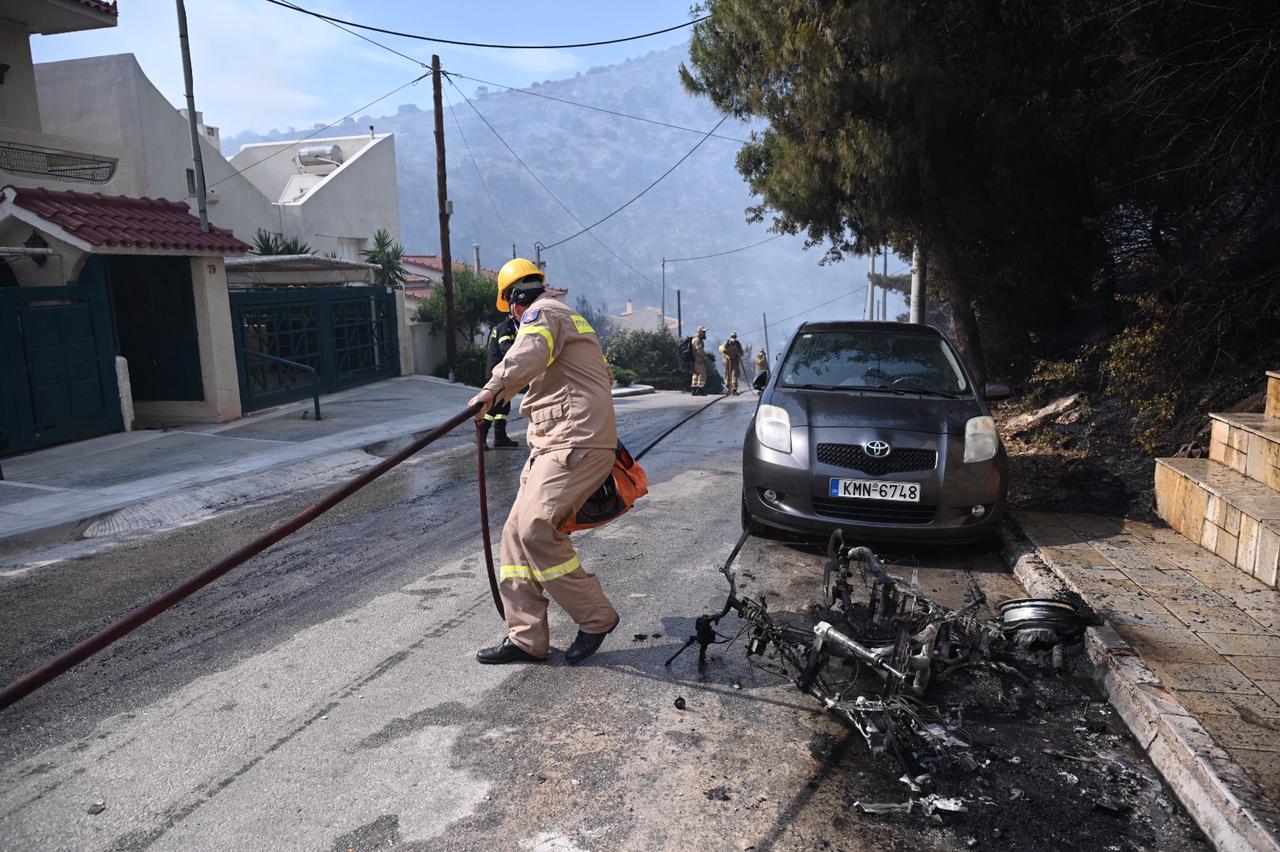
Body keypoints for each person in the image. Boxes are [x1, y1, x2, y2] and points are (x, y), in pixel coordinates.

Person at [468, 257, 620, 665]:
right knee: (515, 534)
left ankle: (596, 617)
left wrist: (492, 390)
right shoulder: (568, 318)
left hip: (574, 440)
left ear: (514, 302)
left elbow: (528, 353)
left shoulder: (542, 313)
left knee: (536, 528)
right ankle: (526, 638)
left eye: (511, 311)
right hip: (556, 441)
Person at [481, 313, 520, 449]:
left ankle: (500, 437)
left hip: (502, 372)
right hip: (497, 373)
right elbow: (504, 347)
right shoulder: (505, 327)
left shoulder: (508, 326)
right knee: (492, 408)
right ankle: (481, 438)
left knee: (504, 407)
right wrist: (522, 352)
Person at [690, 325, 708, 395]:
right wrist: (706, 356)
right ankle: (700, 389)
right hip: (698, 360)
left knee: (696, 374)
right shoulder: (698, 340)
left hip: (694, 360)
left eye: (705, 332)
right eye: (703, 332)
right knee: (702, 374)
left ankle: (694, 389)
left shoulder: (694, 339)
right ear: (699, 332)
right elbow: (699, 351)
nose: (704, 333)